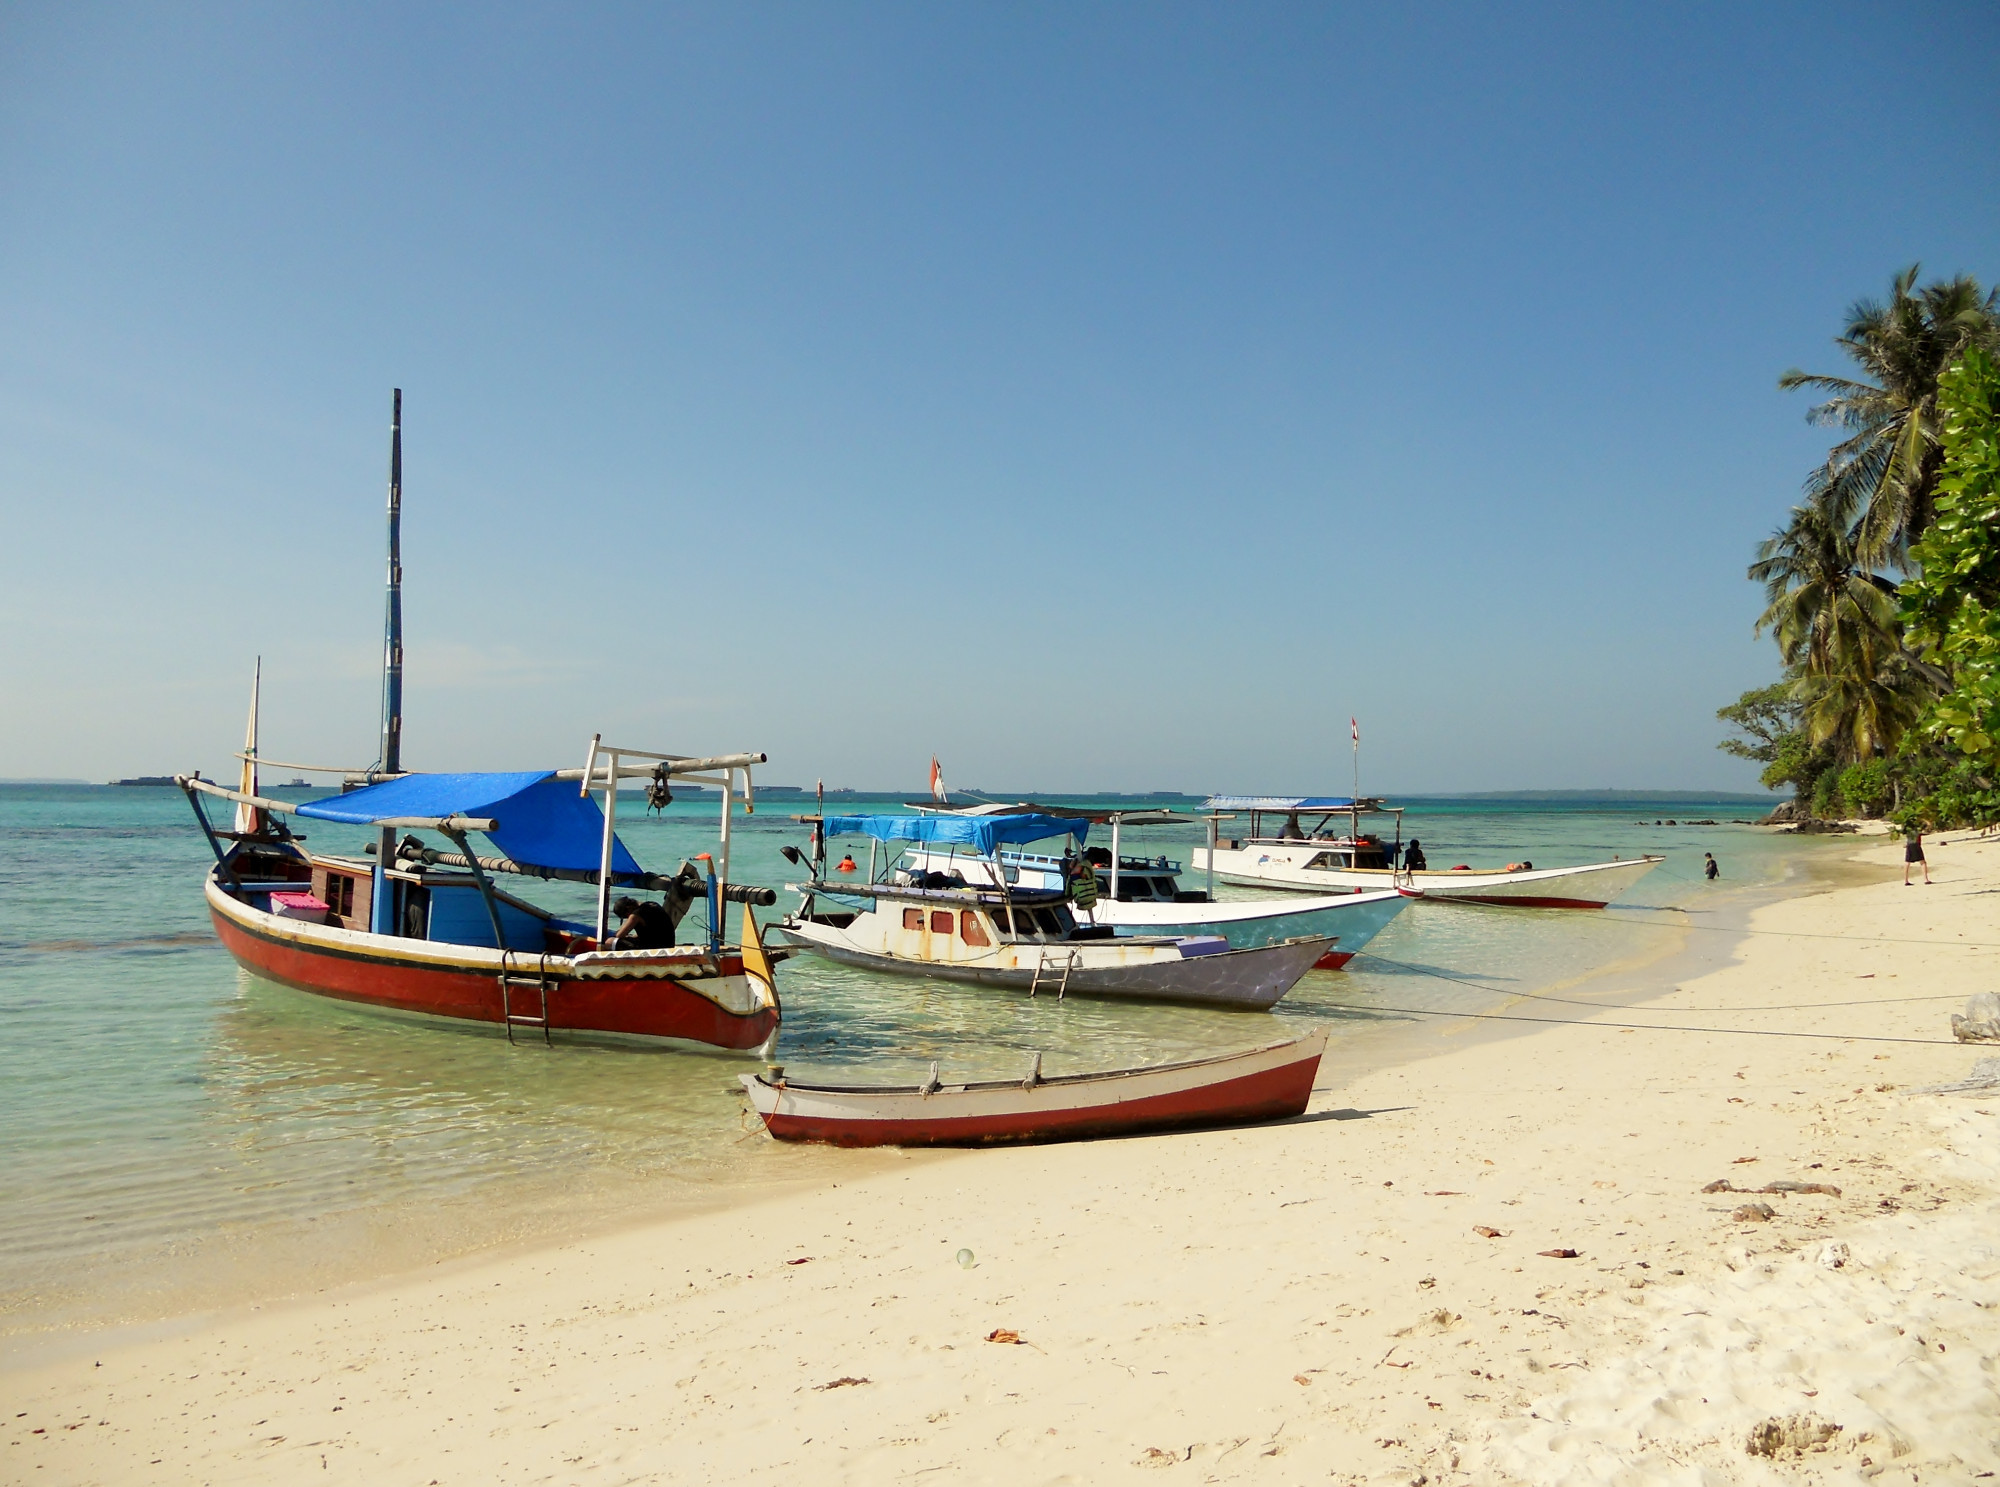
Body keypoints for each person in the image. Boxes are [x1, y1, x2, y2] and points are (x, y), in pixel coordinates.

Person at [610, 895, 676, 950]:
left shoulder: (636, 914)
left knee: (610, 942)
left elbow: (619, 935)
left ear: (628, 908)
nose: (628, 918)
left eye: (626, 916)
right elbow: (654, 930)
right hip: (669, 944)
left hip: (656, 947)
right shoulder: (652, 904)